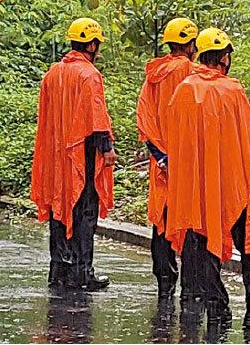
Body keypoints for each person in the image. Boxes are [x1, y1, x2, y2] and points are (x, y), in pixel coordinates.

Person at [164, 28, 250, 331]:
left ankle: (217, 307)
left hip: (200, 187)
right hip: (236, 185)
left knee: (203, 242)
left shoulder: (184, 91)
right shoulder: (233, 90)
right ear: (225, 57)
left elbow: (176, 143)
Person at [30, 17, 116, 291]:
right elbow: (97, 118)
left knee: (59, 206)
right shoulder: (89, 75)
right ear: (91, 44)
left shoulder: (53, 73)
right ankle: (82, 273)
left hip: (57, 157)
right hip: (82, 155)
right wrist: (107, 149)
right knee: (84, 211)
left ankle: (59, 270)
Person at [136, 16, 198, 299]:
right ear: (191, 45)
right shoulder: (190, 71)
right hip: (186, 160)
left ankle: (164, 278)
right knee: (188, 218)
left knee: (161, 217)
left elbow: (144, 119)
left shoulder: (153, 75)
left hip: (160, 160)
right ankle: (190, 285)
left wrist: (160, 155)